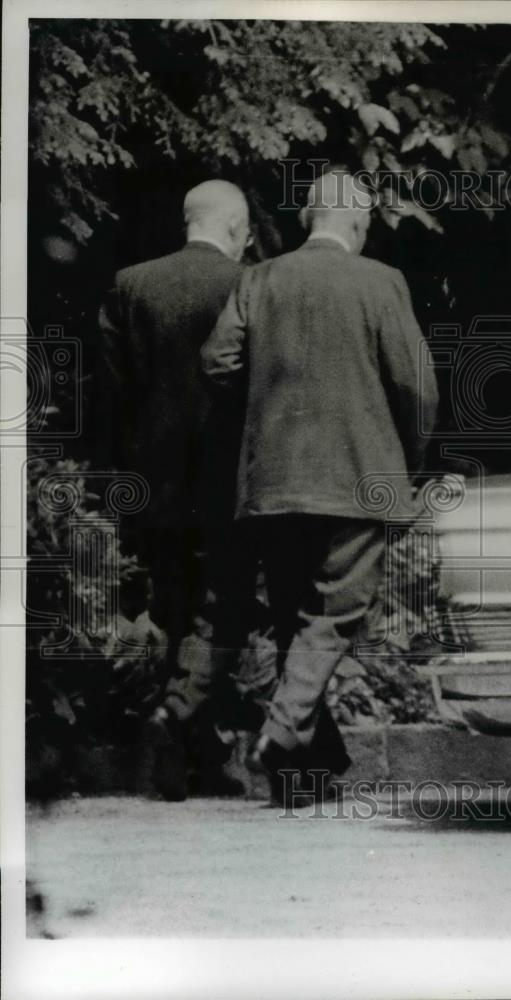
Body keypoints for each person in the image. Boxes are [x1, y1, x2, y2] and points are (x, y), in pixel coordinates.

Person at [200, 170, 439, 805]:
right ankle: (281, 734)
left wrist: (260, 417)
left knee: (294, 620)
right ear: (357, 223)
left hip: (272, 484)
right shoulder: (381, 282)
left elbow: (217, 362)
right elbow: (418, 387)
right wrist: (403, 463)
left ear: (310, 220)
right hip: (359, 479)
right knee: (334, 615)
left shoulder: (259, 277)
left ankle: (303, 773)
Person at [99, 179, 255, 800]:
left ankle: (175, 755)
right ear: (236, 227)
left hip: (154, 481)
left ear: (187, 221)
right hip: (227, 480)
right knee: (225, 609)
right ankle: (196, 736)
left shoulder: (131, 285)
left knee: (170, 606)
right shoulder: (248, 284)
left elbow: (114, 394)